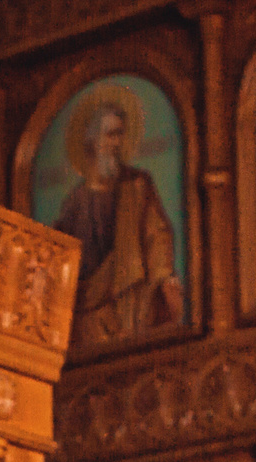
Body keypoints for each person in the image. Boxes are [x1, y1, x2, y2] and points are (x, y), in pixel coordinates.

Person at [52, 94, 185, 346]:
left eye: (120, 134)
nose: (116, 142)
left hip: (128, 301)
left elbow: (157, 233)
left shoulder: (136, 185)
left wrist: (164, 275)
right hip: (87, 315)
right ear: (92, 140)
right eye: (110, 135)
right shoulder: (74, 202)